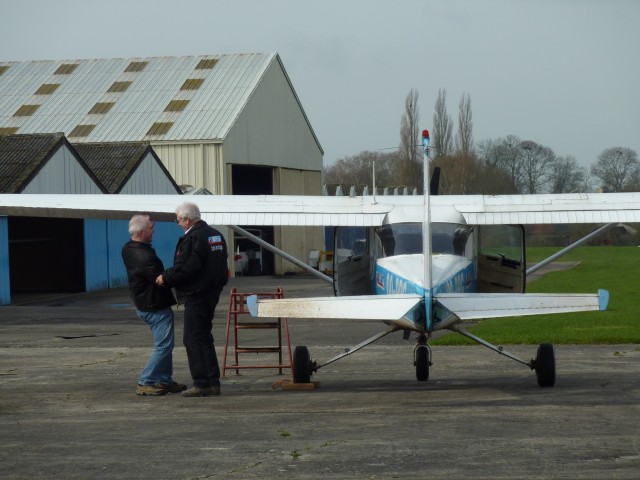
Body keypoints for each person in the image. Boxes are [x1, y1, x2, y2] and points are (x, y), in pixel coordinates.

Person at [156, 202, 228, 397]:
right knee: (205, 337)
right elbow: (222, 266)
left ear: (187, 219)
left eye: (178, 220)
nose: (178, 223)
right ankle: (213, 382)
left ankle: (202, 383)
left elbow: (187, 267)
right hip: (212, 294)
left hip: (197, 295)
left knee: (192, 339)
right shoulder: (216, 235)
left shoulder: (193, 238)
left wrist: (166, 278)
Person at [121, 214, 186, 396]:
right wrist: (180, 274)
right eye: (151, 228)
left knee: (165, 345)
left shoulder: (128, 248)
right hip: (154, 306)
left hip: (143, 303)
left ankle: (163, 380)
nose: (154, 230)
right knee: (163, 346)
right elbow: (161, 280)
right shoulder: (145, 256)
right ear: (141, 232)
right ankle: (146, 381)